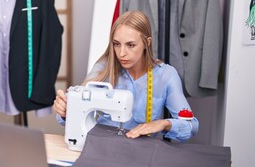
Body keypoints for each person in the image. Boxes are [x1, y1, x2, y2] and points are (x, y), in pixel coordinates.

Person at [53, 11, 199, 142]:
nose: (121, 53)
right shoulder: (104, 68)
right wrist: (65, 110)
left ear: (146, 43)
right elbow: (75, 111)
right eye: (117, 44)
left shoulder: (165, 76)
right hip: (102, 148)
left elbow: (191, 125)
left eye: (130, 45)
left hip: (141, 154)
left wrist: (164, 124)